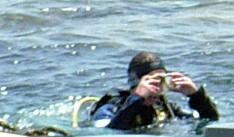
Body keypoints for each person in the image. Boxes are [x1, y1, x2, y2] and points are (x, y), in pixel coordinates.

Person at [89, 51, 220, 130]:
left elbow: (211, 119)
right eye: (153, 81)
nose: (157, 89)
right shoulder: (111, 109)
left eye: (164, 82)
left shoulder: (166, 109)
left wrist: (195, 95)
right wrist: (137, 99)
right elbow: (108, 134)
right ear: (136, 82)